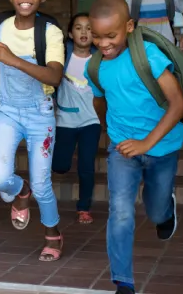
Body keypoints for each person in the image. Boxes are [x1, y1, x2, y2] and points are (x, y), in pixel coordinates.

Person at [84, 0, 183, 294]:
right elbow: (99, 98)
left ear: (129, 26)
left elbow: (177, 103)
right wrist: (110, 131)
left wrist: (145, 143)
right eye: (97, 36)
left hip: (162, 145)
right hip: (122, 148)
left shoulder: (148, 56)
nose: (103, 43)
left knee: (155, 213)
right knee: (121, 211)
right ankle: (123, 282)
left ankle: (166, 209)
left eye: (111, 35)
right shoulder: (96, 66)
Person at [0, 0, 66, 262]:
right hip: (6, 109)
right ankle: (22, 190)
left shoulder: (50, 32)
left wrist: (14, 60)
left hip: (39, 114)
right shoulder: (1, 24)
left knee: (44, 184)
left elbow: (54, 77)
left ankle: (52, 233)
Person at [52, 13, 100, 224]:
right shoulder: (62, 56)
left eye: (89, 28)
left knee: (86, 165)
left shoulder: (100, 59)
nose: (84, 32)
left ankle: (84, 207)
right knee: (60, 166)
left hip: (91, 120)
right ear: (71, 33)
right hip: (65, 120)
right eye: (79, 28)